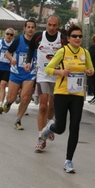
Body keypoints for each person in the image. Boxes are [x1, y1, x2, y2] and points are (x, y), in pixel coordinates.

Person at [40, 24, 94, 173]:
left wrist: (89, 71)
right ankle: (49, 128)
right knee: (60, 127)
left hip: (77, 95)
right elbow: (48, 69)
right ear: (68, 38)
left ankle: (68, 161)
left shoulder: (85, 53)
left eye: (80, 36)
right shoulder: (62, 52)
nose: (78, 38)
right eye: (74, 36)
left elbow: (90, 68)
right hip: (62, 93)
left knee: (75, 127)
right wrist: (61, 72)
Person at [25, 15, 63, 153]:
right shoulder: (38, 37)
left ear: (58, 26)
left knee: (52, 106)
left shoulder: (62, 38)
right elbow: (31, 49)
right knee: (42, 105)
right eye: (49, 25)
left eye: (54, 25)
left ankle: (49, 125)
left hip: (57, 76)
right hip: (42, 74)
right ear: (46, 24)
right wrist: (28, 62)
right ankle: (41, 138)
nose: (51, 28)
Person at [2, 19, 37, 130]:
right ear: (25, 28)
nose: (30, 29)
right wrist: (12, 58)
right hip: (16, 72)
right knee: (12, 97)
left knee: (25, 97)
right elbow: (7, 52)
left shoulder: (38, 42)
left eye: (32, 27)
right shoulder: (18, 40)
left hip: (30, 73)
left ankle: (18, 120)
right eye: (29, 27)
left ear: (35, 29)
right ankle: (8, 102)